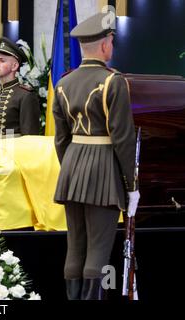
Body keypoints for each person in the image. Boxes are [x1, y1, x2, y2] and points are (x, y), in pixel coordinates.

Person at [52, 12, 140, 300]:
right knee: (99, 250)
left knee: (75, 246)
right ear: (105, 45)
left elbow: (61, 139)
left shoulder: (63, 83)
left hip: (72, 169)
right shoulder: (113, 82)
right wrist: (132, 186)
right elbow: (123, 140)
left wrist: (71, 169)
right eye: (111, 40)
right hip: (103, 169)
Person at [0, 37, 40, 138]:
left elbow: (30, 138)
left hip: (13, 152)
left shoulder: (26, 95)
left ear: (14, 66)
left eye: (2, 61)